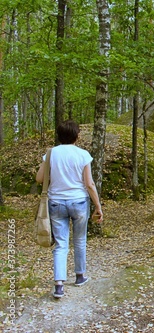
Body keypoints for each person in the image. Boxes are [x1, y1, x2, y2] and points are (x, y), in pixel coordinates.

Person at [36, 120, 103, 299]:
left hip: (56, 203)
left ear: (59, 135)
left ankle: (59, 285)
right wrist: (97, 206)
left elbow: (39, 178)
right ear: (77, 136)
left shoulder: (51, 154)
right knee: (80, 240)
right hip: (79, 202)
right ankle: (80, 276)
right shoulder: (83, 155)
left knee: (61, 244)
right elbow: (89, 183)